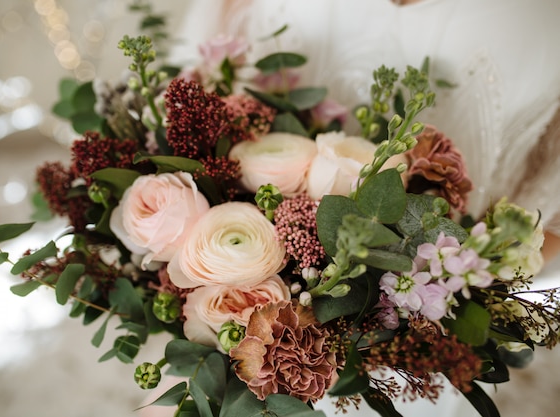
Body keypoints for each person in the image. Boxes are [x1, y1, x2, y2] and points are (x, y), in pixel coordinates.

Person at [165, 1, 560, 416]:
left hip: (416, 344)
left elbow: (549, 214)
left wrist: (445, 299)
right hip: (230, 339)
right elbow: (196, 85)